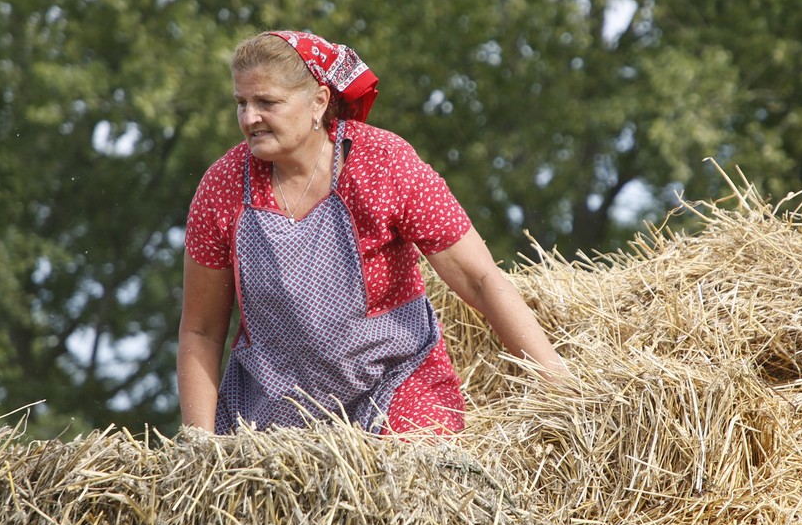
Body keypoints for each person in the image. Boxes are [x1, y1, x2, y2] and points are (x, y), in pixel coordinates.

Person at [177, 29, 569, 435]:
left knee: (416, 470)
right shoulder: (222, 186)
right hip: (273, 416)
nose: (249, 118)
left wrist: (562, 392)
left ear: (319, 101)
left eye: (266, 103)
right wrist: (200, 445)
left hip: (396, 389)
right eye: (241, 103)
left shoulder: (383, 162)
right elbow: (201, 330)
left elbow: (480, 279)